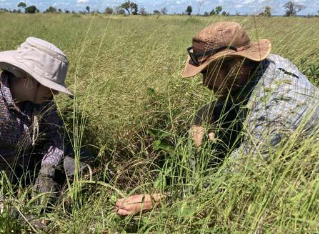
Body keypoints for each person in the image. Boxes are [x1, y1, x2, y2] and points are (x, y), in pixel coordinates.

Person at [115, 21, 319, 216]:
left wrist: (160, 200)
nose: (204, 83)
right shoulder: (265, 65)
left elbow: (228, 183)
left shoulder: (276, 119)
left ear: (236, 65)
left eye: (207, 73)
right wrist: (204, 113)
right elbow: (239, 97)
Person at [0, 37, 91, 208]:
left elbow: (55, 134)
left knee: (80, 159)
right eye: (50, 86)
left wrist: (47, 169)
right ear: (28, 78)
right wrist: (13, 215)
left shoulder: (42, 100)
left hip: (18, 168)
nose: (55, 94)